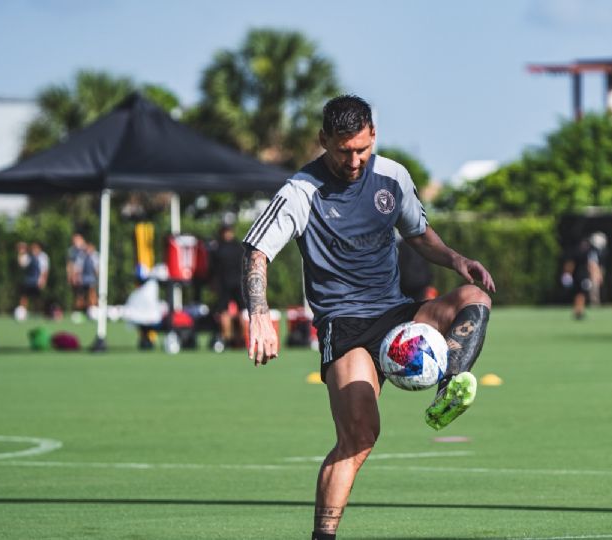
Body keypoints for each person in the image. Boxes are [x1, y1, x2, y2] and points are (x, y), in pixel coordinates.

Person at [241, 95, 494, 540]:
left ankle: (450, 385)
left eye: (361, 148)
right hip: (347, 327)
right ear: (323, 141)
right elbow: (257, 250)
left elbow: (417, 233)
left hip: (397, 314)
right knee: (359, 438)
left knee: (473, 296)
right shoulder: (300, 192)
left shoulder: (392, 177)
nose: (354, 160)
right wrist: (259, 314)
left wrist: (456, 259)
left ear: (373, 134)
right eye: (343, 151)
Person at [209, 224, 245, 347]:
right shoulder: (239, 247)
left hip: (227, 283)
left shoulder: (217, 247)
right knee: (232, 312)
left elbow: (212, 269)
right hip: (232, 283)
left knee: (229, 312)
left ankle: (230, 339)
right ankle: (238, 339)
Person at [561, 236, 598, 320]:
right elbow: (572, 264)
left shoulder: (581, 252)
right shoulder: (582, 252)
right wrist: (568, 274)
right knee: (580, 293)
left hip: (579, 276)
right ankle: (579, 309)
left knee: (580, 293)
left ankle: (579, 309)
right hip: (582, 276)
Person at [16, 241, 49, 320]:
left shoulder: (43, 257)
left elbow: (45, 270)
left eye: (35, 248)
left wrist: (43, 280)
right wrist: (20, 252)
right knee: (24, 296)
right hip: (28, 280)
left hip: (37, 281)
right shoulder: (28, 256)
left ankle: (38, 313)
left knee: (37, 298)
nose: (34, 249)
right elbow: (21, 264)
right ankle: (22, 312)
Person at [67, 233, 87, 313]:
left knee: (87, 295)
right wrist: (70, 275)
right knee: (77, 294)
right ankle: (77, 311)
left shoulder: (84, 250)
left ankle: (86, 311)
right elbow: (70, 264)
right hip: (75, 275)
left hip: (85, 276)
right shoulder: (71, 251)